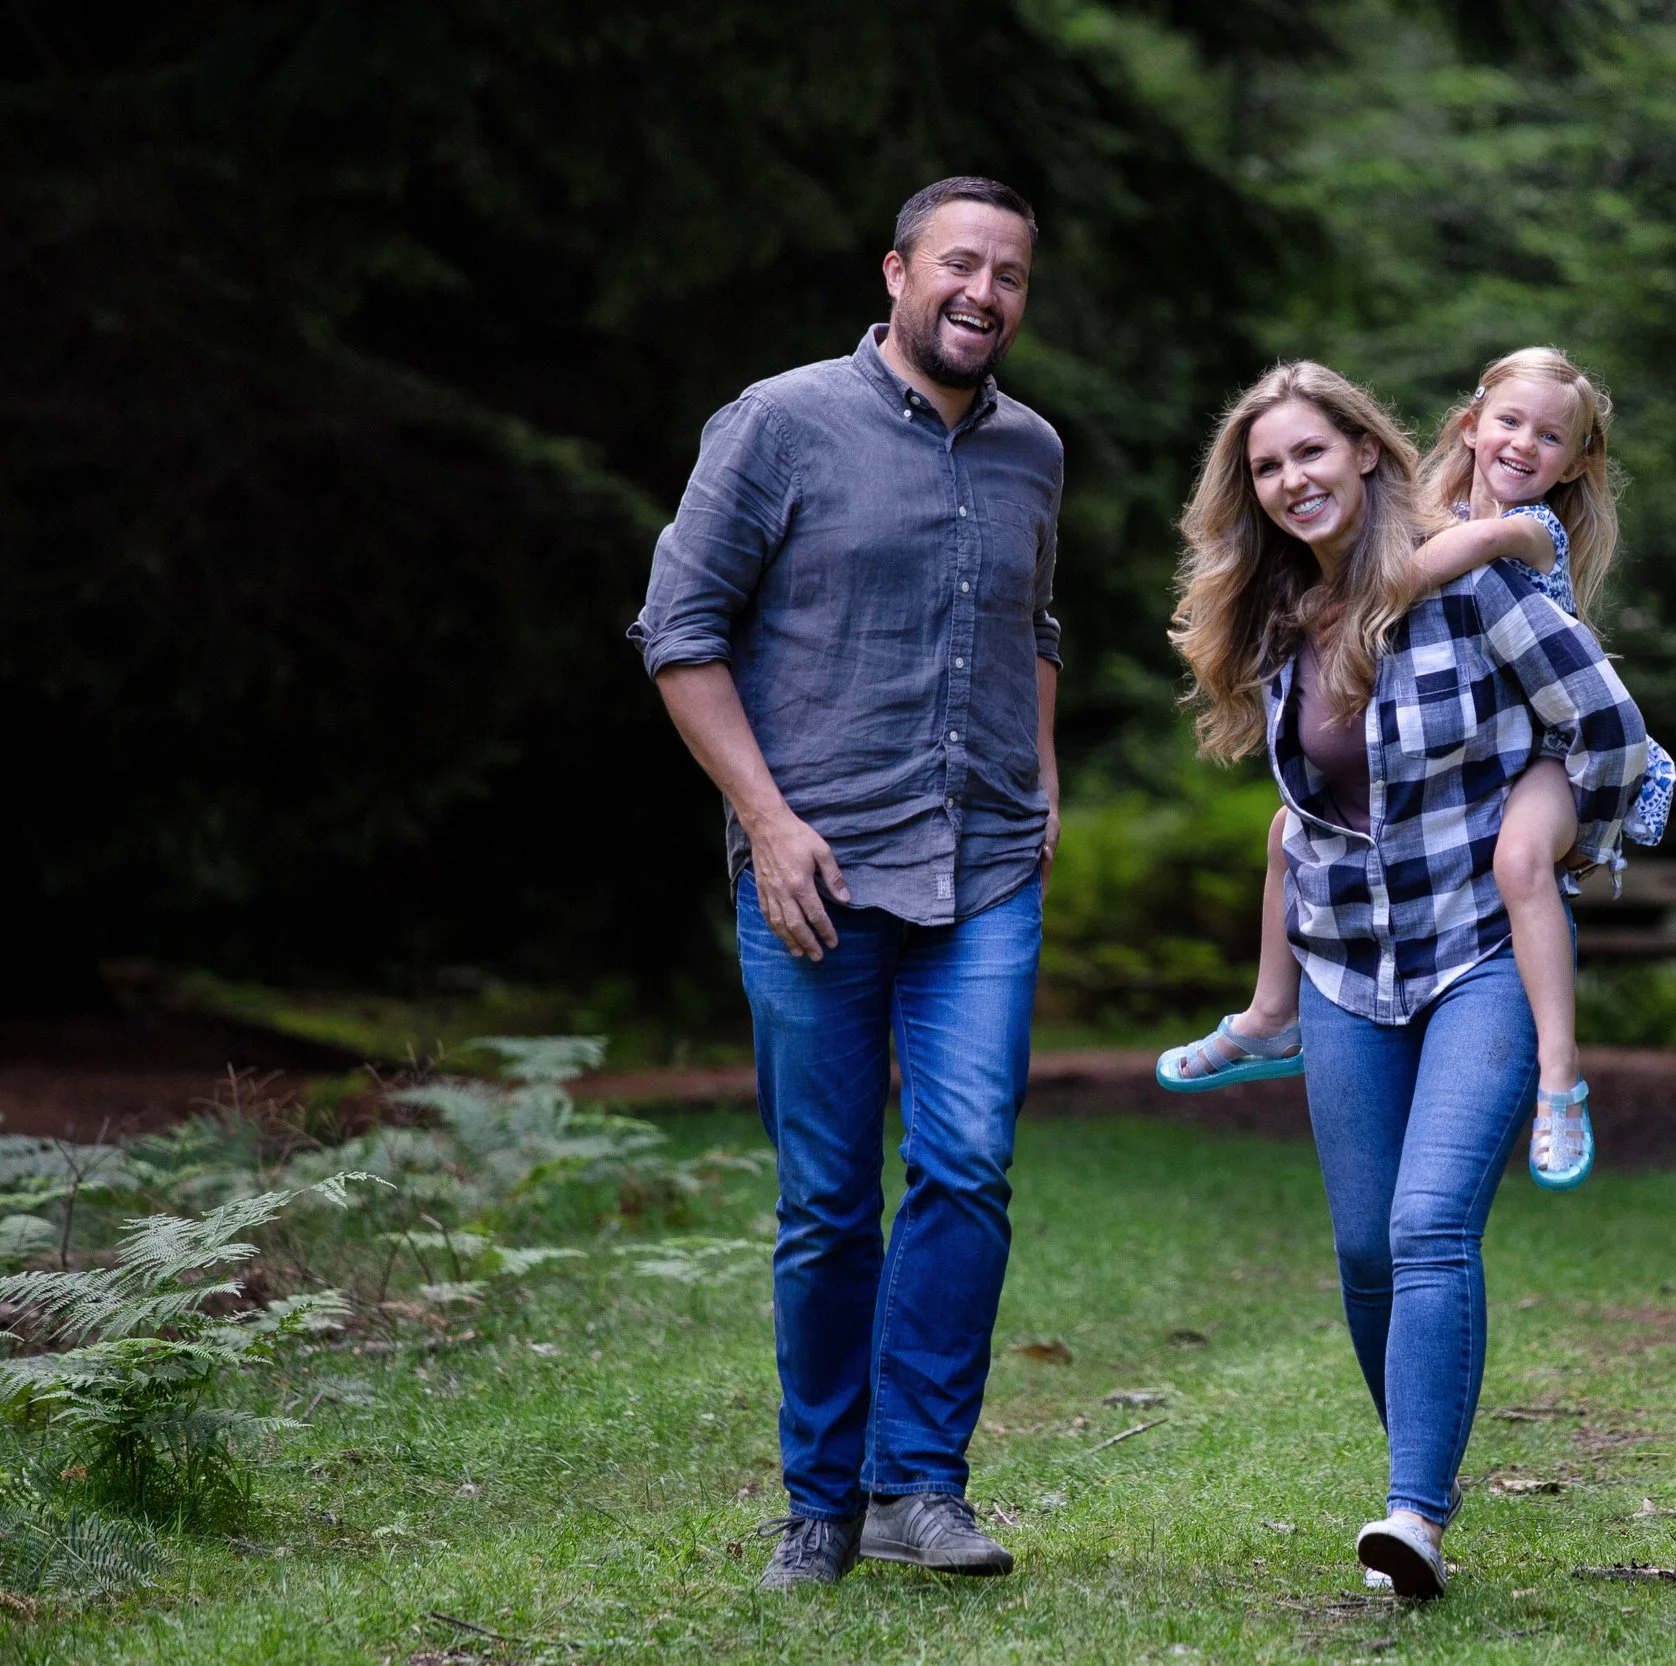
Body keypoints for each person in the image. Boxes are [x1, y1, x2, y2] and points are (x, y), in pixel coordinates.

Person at [628, 177, 1062, 1591]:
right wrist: (766, 819)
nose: (982, 292)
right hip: (814, 866)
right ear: (896, 271)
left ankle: (917, 1484)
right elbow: (679, 631)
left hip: (984, 862)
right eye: (958, 263)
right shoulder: (778, 422)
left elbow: (1036, 619)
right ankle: (818, 1501)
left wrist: (1042, 770)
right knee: (826, 1199)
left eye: (1008, 273)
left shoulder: (1033, 452)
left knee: (966, 1163)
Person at [1166, 361, 1649, 1598]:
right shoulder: (1280, 609)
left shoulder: (1473, 570)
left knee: (1431, 1224)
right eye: (1268, 466)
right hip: (1341, 965)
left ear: (1367, 452)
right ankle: (1418, 1466)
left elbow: (1610, 729)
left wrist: (1553, 844)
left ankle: (1412, 1515)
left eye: (1310, 455)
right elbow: (1304, 803)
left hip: (1476, 949)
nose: (1292, 481)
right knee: (1364, 1252)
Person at [1157, 348, 1675, 1191]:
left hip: (1553, 756)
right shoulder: (1435, 510)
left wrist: (1348, 599)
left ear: (1578, 462)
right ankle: (1269, 1013)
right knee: (1288, 828)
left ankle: (1559, 1078)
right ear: (1470, 427)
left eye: (1551, 437)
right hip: (1376, 918)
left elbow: (1416, 573)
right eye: (1508, 423)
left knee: (1519, 860)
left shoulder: (1519, 535)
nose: (1523, 446)